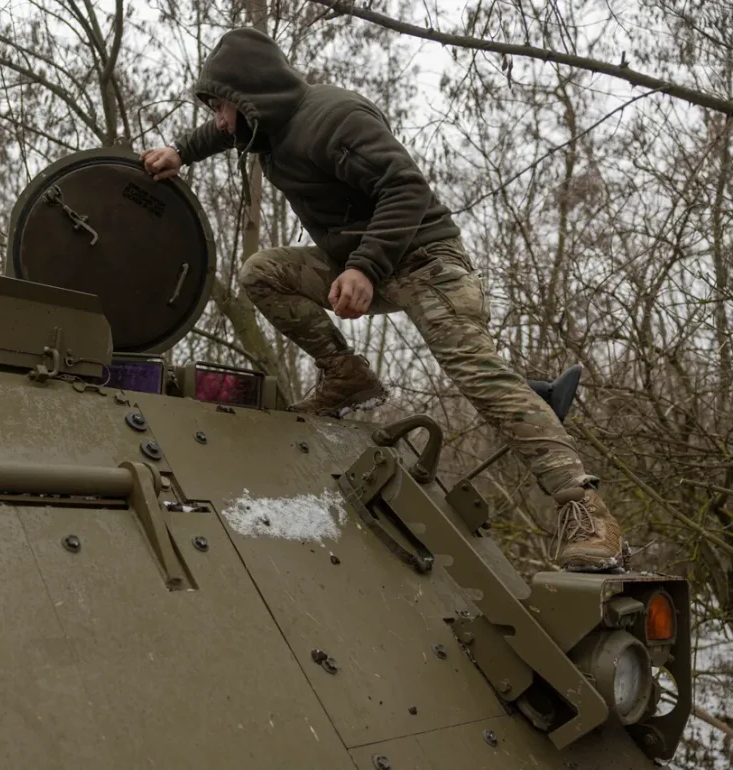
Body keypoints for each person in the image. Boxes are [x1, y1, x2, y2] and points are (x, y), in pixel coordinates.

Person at [141, 27, 625, 573]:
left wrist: (364, 268)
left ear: (251, 96)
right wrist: (181, 151)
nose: (221, 120)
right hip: (364, 261)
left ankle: (585, 509)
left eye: (223, 107)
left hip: (424, 260)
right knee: (262, 273)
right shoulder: (268, 128)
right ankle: (347, 376)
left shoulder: (333, 120)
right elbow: (226, 134)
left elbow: (406, 189)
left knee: (476, 374)